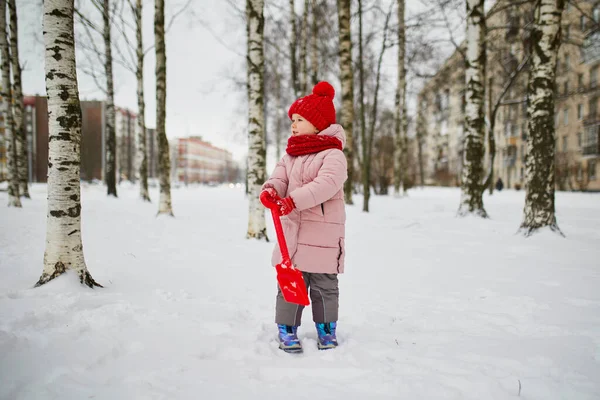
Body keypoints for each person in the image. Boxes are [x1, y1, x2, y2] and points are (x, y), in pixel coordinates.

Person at [259, 81, 348, 353]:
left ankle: (326, 328)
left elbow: (327, 184)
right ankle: (287, 329)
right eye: (292, 120)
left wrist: (292, 201)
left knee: (324, 286)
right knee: (290, 284)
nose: (293, 125)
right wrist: (271, 190)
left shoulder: (333, 155)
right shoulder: (290, 155)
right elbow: (279, 177)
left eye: (299, 119)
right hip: (293, 235)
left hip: (322, 234)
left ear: (318, 123)